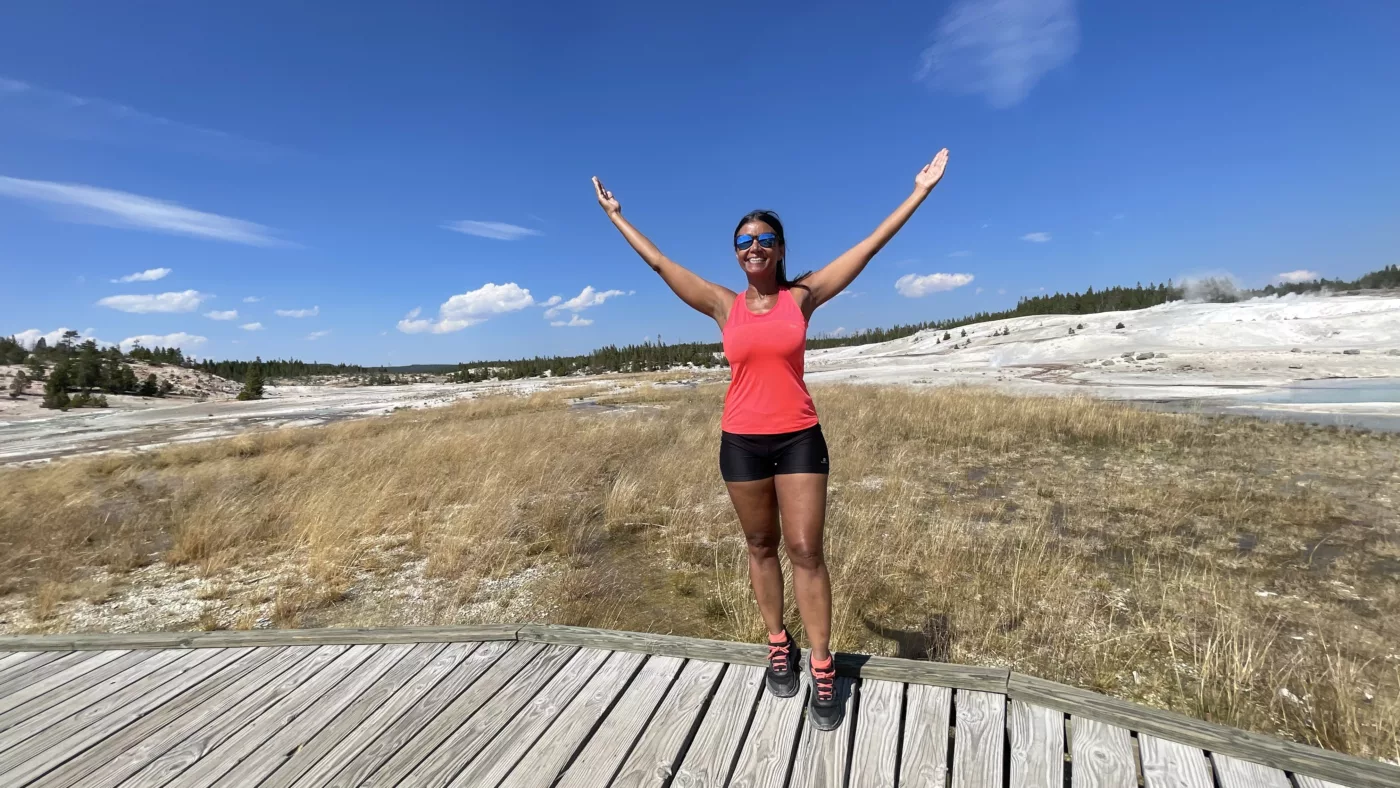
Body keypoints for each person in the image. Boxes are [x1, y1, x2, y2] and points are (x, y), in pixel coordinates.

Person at [592, 148, 949, 730]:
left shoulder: (802, 296)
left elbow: (868, 246)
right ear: (735, 254)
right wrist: (616, 216)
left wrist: (919, 191)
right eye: (742, 242)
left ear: (780, 249)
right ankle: (776, 643)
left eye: (762, 239)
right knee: (761, 546)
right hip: (741, 443)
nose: (751, 247)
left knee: (806, 550)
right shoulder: (721, 304)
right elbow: (659, 263)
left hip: (800, 438)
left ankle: (823, 664)